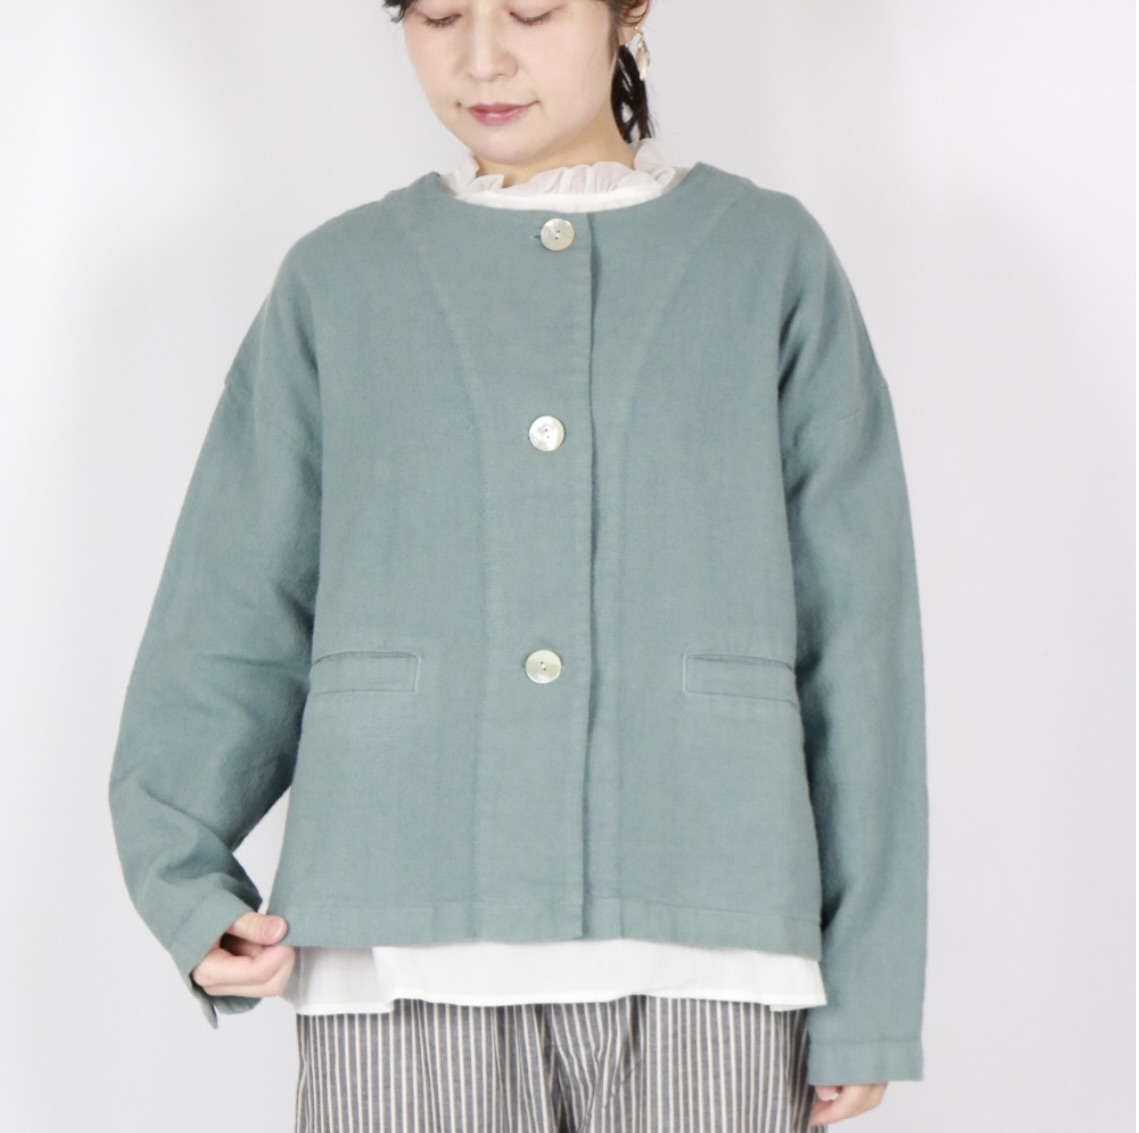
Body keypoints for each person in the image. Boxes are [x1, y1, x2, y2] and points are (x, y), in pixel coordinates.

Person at [108, 1, 929, 1130]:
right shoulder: (337, 282)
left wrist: (870, 986)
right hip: (395, 951)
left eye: (531, 11)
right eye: (439, 15)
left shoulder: (767, 260)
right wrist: (183, 880)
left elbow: (859, 640)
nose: (481, 58)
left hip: (714, 939)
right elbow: (231, 616)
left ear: (627, 12)